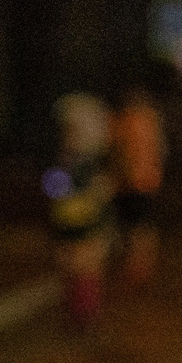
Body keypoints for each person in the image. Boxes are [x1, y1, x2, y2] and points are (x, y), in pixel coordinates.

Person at [46, 92, 115, 329]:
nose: (68, 136)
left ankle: (85, 314)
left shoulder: (91, 162)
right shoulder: (63, 160)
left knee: (86, 271)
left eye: (72, 131)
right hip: (66, 223)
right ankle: (75, 313)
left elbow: (101, 195)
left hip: (88, 225)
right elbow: (54, 189)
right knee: (69, 270)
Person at [110, 80, 167, 286]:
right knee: (141, 225)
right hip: (145, 181)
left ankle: (138, 266)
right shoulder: (151, 119)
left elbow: (119, 152)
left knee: (137, 225)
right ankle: (141, 264)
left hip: (134, 182)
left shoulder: (127, 120)